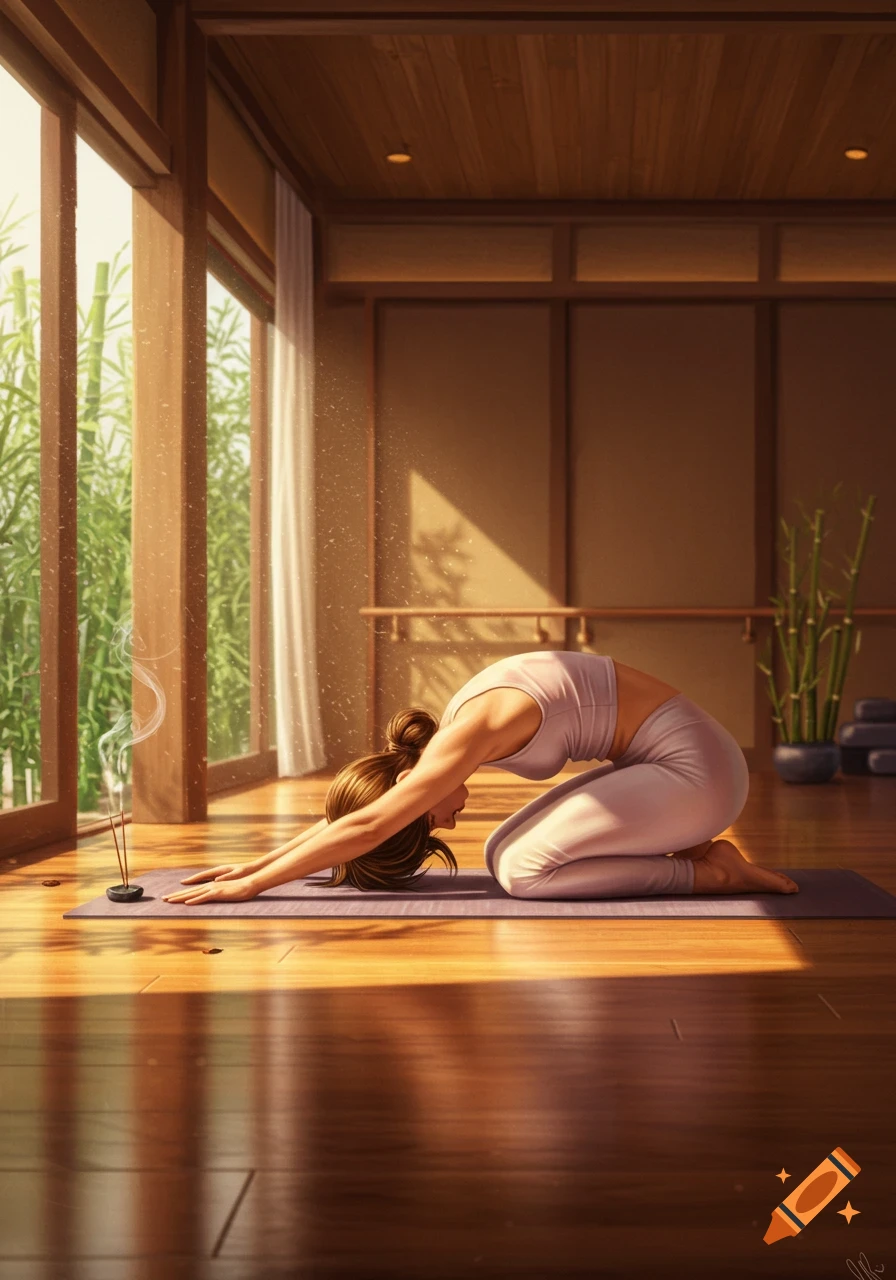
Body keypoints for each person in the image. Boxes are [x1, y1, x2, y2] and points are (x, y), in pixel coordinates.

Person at [162, 650, 799, 906]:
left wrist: (253, 890)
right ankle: (692, 846)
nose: (446, 820)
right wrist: (252, 866)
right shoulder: (443, 747)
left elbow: (369, 821)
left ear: (409, 787)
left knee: (524, 874)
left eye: (427, 819)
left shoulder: (459, 741)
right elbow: (356, 817)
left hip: (700, 774)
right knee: (500, 854)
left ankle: (709, 872)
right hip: (667, 767)